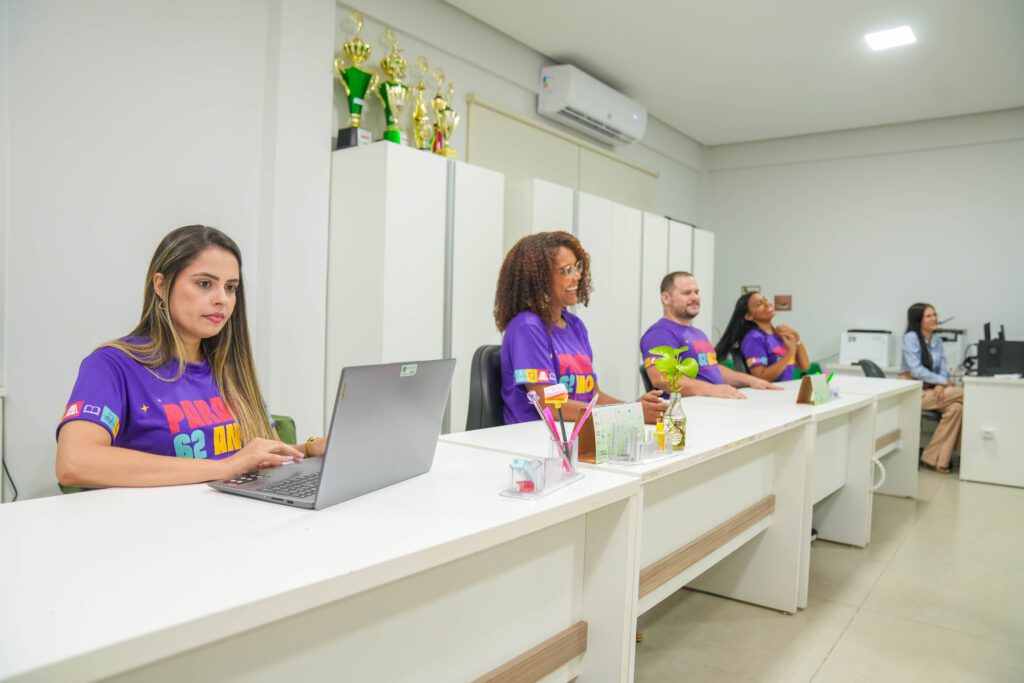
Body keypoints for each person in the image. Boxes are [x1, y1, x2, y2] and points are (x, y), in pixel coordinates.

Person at [55, 225, 323, 488]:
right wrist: (226, 467)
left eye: (230, 287)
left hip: (239, 513)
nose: (222, 299)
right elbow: (74, 463)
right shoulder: (112, 365)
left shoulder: (232, 369)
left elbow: (260, 460)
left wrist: (310, 450)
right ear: (161, 285)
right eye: (204, 284)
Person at [495, 230, 666, 424]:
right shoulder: (527, 327)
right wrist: (630, 413)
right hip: (537, 437)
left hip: (576, 432)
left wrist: (634, 408)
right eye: (566, 270)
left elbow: (593, 396)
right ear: (539, 278)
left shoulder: (576, 326)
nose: (577, 276)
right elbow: (549, 405)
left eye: (577, 267)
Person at [641, 272, 778, 398]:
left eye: (696, 292)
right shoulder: (660, 333)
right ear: (666, 298)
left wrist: (752, 380)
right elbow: (662, 378)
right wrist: (713, 389)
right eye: (687, 293)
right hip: (688, 411)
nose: (695, 297)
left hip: (713, 405)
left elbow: (712, 369)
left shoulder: (698, 333)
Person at [899, 302, 962, 473]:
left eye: (934, 315)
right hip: (914, 392)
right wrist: (942, 381)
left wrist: (940, 383)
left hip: (932, 390)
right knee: (965, 394)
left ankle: (934, 459)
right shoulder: (911, 338)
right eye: (928, 316)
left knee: (956, 409)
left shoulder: (936, 340)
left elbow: (943, 367)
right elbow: (916, 370)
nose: (934, 318)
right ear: (918, 320)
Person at [715, 292, 810, 382]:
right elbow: (760, 377)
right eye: (759, 304)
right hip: (768, 393)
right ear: (749, 316)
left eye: (765, 300)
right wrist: (790, 353)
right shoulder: (754, 339)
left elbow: (804, 366)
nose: (767, 303)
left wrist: (797, 338)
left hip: (785, 390)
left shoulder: (779, 335)